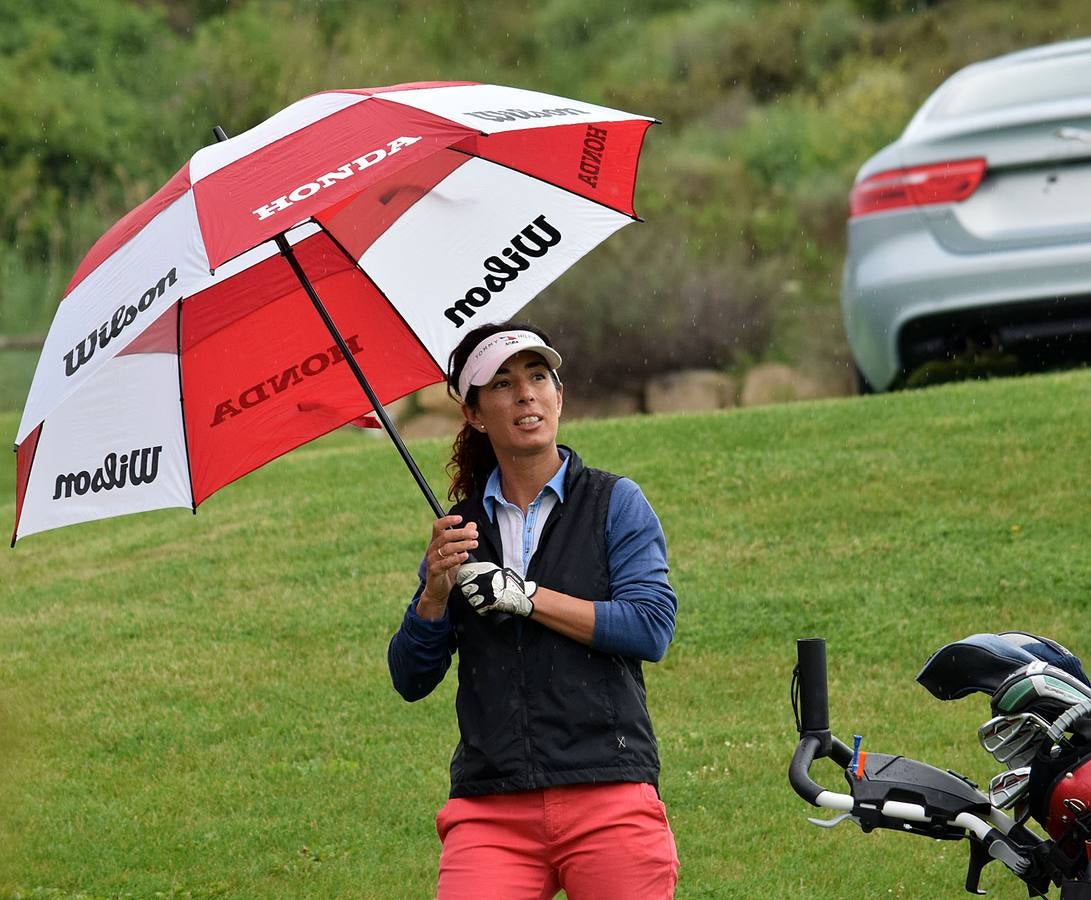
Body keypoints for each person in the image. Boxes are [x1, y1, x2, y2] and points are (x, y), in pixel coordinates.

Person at [388, 320, 679, 899]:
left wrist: (525, 597)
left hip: (608, 789)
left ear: (559, 396)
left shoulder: (615, 502)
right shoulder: (458, 532)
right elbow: (410, 678)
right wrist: (434, 597)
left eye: (538, 377)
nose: (525, 394)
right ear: (473, 414)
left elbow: (651, 627)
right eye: (501, 383)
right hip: (490, 806)